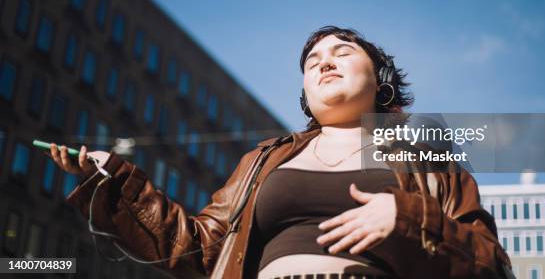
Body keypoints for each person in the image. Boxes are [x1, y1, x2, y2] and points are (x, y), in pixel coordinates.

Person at [48, 25, 513, 279]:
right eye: (312, 61)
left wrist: (407, 219)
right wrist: (119, 182)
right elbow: (200, 251)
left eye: (343, 52)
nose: (323, 60)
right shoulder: (264, 162)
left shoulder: (428, 162)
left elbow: (489, 265)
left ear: (382, 81)